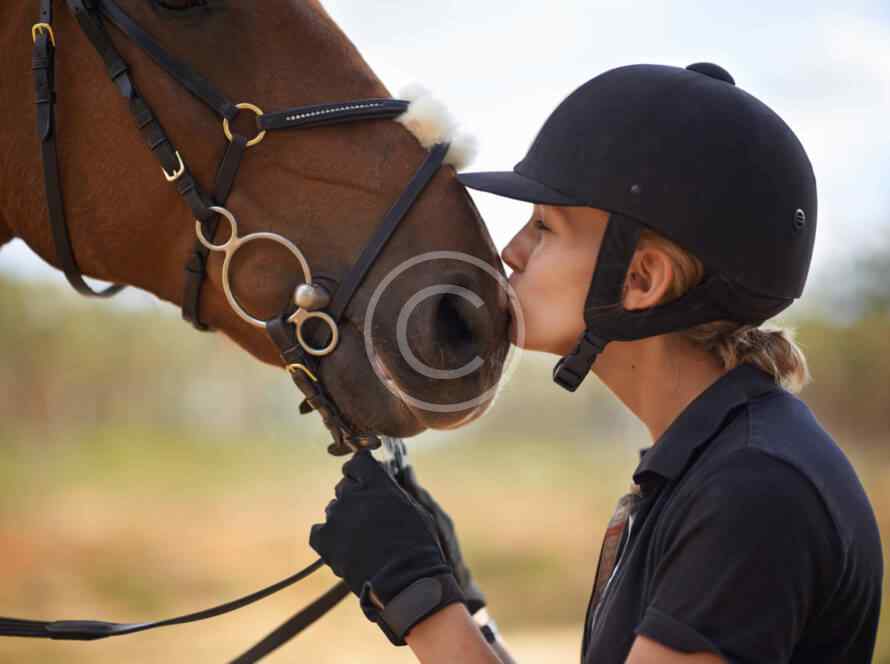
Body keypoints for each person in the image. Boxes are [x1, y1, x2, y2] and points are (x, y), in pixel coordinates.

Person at [309, 62, 883, 663]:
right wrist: (461, 600)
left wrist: (422, 604)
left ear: (641, 280)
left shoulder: (753, 490)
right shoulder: (718, 464)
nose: (511, 251)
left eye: (545, 227)